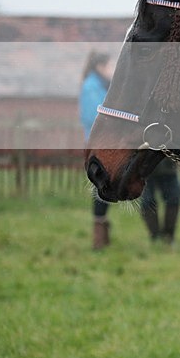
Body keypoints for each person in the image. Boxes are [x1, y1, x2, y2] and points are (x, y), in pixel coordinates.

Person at [79, 51, 113, 250]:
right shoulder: (91, 86)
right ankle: (98, 235)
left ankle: (102, 234)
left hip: (105, 143)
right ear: (100, 66)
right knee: (101, 188)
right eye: (108, 65)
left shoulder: (100, 85)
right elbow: (95, 115)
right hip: (99, 145)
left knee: (105, 187)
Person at [140, 158, 180, 246]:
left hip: (168, 166)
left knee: (174, 199)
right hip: (145, 167)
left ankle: (168, 237)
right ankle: (155, 237)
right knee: (147, 201)